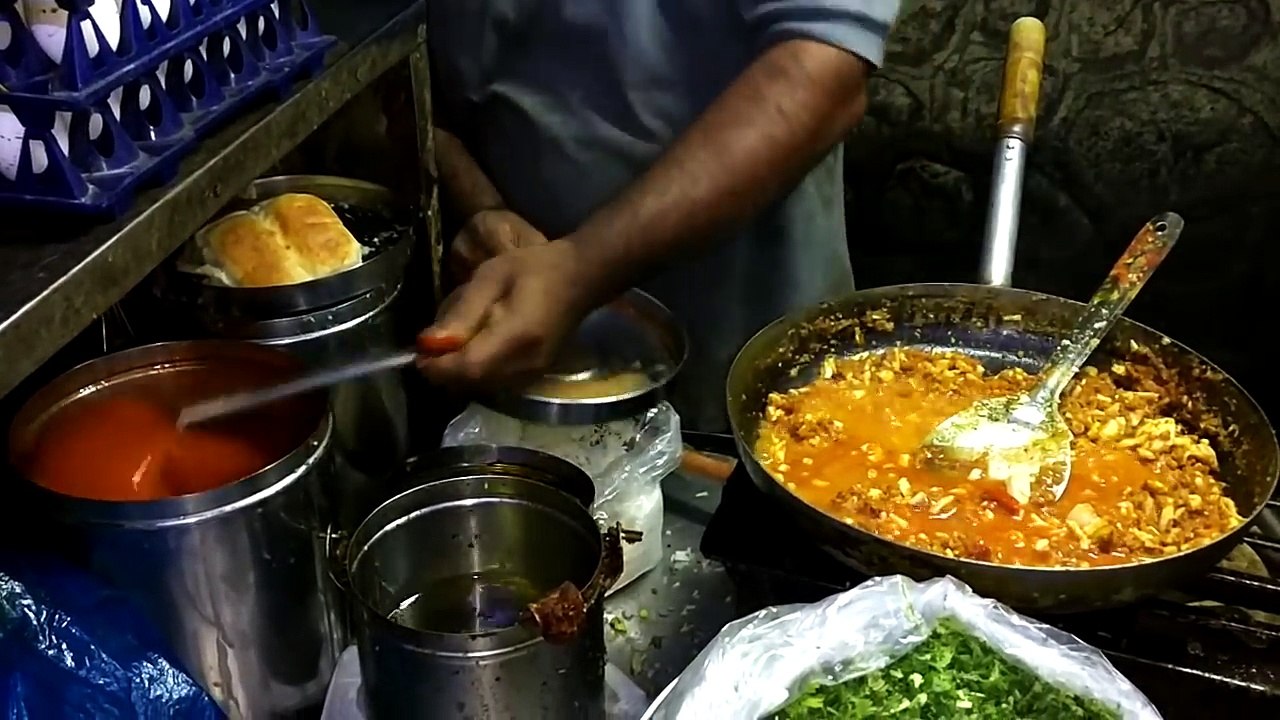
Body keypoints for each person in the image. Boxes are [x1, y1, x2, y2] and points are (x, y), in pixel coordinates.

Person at [419, 0, 901, 432]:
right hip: (523, 379)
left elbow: (822, 73)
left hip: (756, 369)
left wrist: (579, 269)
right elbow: (412, 82)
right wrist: (483, 207)